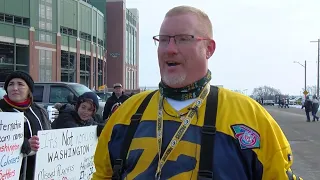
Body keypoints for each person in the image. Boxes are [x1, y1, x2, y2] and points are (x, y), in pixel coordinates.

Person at [92, 6, 303, 180]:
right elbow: (103, 174)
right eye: (164, 39)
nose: (169, 49)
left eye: (183, 39)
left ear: (209, 49)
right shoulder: (127, 113)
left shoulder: (251, 118)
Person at [0, 71, 51, 180]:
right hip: (10, 173)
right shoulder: (1, 110)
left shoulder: (39, 110)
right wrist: (20, 144)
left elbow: (49, 134)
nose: (15, 88)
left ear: (29, 90)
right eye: (11, 84)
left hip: (38, 171)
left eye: (20, 84)